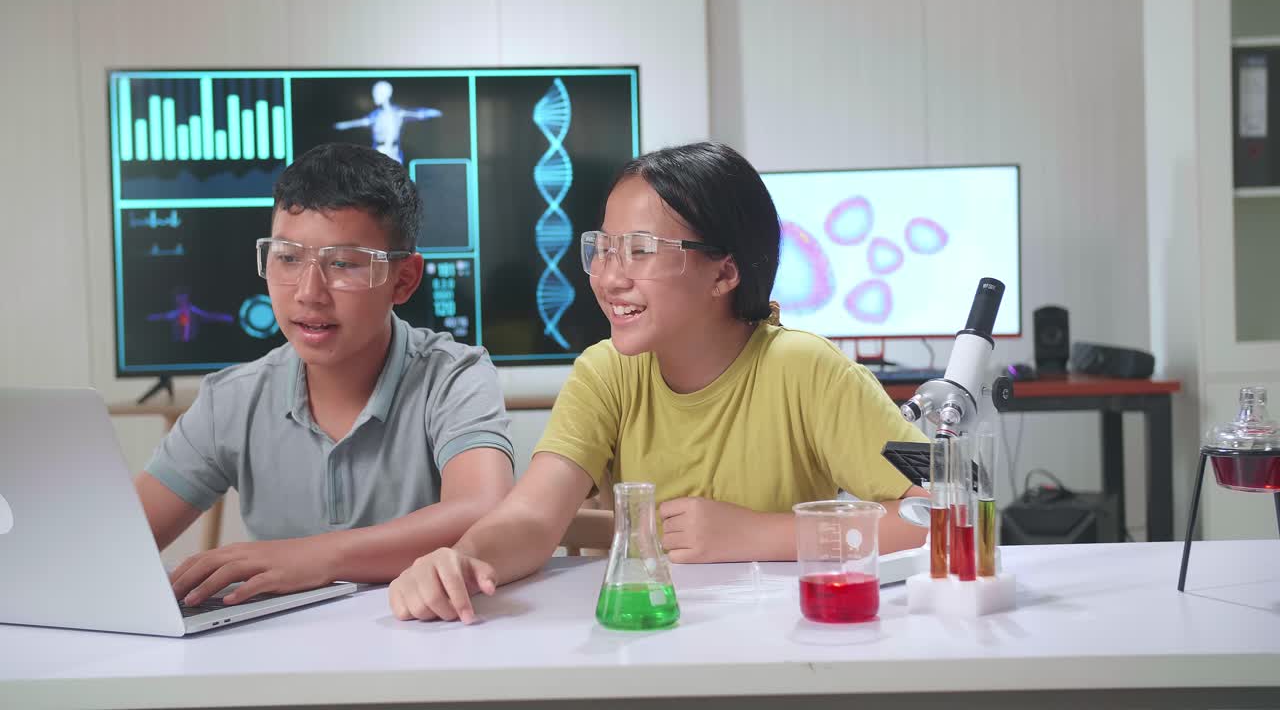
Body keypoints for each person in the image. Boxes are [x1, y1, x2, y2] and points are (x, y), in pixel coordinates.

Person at [387, 141, 929, 623]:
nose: (608, 277)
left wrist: (758, 534)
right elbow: (533, 515)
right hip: (644, 639)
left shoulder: (807, 369)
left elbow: (938, 513)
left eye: (641, 251)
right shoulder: (606, 372)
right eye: (603, 249)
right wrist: (463, 560)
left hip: (779, 644)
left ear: (724, 272)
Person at [134, 142, 514, 608]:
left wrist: (315, 557)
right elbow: (117, 542)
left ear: (404, 280)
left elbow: (485, 510)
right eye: (287, 258)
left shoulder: (453, 376)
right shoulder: (232, 399)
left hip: (424, 639)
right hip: (280, 650)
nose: (309, 293)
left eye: (343, 263)